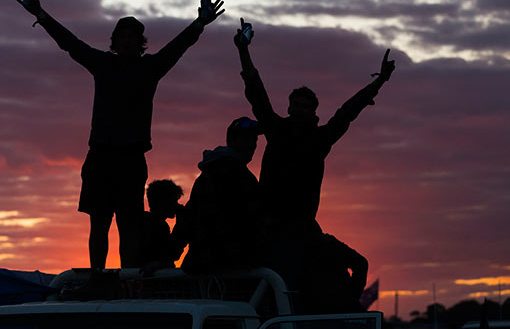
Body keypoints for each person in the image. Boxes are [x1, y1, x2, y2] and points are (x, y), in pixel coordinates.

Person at [15, 0, 224, 269]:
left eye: (133, 38)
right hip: (100, 157)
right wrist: (40, 13)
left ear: (140, 43)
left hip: (131, 160)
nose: (127, 42)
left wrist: (199, 23)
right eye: (122, 37)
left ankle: (129, 281)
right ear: (115, 41)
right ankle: (98, 278)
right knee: (99, 225)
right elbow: (69, 43)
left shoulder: (150, 67)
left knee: (129, 226)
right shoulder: (102, 63)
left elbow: (178, 46)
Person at [233, 18, 394, 304]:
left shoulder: (321, 139)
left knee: (357, 265)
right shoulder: (276, 128)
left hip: (305, 230)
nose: (299, 110)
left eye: (306, 107)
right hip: (271, 231)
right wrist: (243, 50)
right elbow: (255, 90)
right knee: (284, 290)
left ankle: (350, 316)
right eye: (296, 105)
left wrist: (379, 82)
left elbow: (349, 111)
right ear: (289, 107)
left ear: (313, 112)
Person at [170, 116, 262, 274]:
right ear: (232, 141)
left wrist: (166, 257)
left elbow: (188, 218)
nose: (252, 146)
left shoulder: (207, 175)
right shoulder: (241, 177)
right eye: (246, 140)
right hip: (231, 269)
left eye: (254, 141)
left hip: (202, 265)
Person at [140, 179, 184, 269]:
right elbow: (172, 253)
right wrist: (181, 223)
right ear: (164, 203)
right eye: (174, 201)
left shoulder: (148, 221)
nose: (176, 205)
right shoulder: (159, 226)